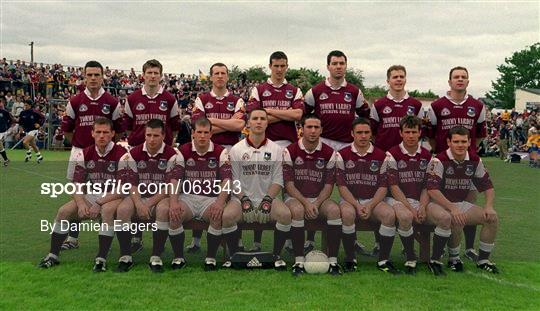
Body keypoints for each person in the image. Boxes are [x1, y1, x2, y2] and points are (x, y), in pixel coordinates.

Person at [38, 118, 127, 270]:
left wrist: (99, 203)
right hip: (93, 195)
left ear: (113, 134)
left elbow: (123, 188)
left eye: (105, 132)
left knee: (107, 211)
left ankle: (101, 259)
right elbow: (76, 185)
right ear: (92, 133)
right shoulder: (84, 154)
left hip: (115, 195)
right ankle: (53, 255)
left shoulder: (123, 154)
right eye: (98, 132)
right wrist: (80, 203)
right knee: (63, 211)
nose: (101, 136)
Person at [303, 50, 369, 254]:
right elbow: (304, 115)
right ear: (328, 66)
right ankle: (310, 238)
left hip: (348, 145)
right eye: (335, 63)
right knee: (315, 186)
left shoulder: (354, 91)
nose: (338, 66)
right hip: (323, 143)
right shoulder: (315, 91)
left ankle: (353, 236)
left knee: (352, 187)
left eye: (342, 63)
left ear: (346, 66)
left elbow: (364, 115)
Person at [60, 60, 123, 250]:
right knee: (78, 193)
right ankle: (73, 238)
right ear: (84, 76)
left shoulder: (112, 102)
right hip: (81, 152)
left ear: (102, 76)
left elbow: (118, 131)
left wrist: (103, 146)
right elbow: (67, 130)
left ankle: (110, 234)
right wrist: (82, 147)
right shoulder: (75, 101)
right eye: (90, 75)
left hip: (106, 155)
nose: (93, 78)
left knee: (110, 192)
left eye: (97, 75)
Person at [427, 66, 487, 261]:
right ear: (449, 81)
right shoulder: (437, 105)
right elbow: (432, 136)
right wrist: (443, 153)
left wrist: (469, 151)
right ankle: (443, 247)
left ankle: (468, 248)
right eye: (456, 77)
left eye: (463, 77)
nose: (460, 80)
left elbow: (478, 136)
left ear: (468, 82)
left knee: (468, 203)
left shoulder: (477, 106)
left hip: (467, 163)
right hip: (444, 162)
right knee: (440, 203)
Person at [221, 108, 291, 269]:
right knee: (228, 216)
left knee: (285, 215)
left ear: (267, 123)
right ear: (248, 123)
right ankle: (234, 256)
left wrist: (267, 200)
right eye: (255, 119)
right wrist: (244, 199)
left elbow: (278, 180)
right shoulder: (237, 149)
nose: (259, 122)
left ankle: (275, 256)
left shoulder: (276, 149)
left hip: (268, 198)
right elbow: (234, 180)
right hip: (241, 199)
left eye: (262, 119)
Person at [188, 62, 245, 253]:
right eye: (216, 73)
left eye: (223, 73)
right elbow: (197, 124)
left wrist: (209, 122)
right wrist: (226, 124)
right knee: (201, 190)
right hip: (206, 150)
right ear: (211, 77)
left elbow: (239, 126)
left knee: (230, 195)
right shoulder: (201, 99)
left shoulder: (236, 100)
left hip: (230, 150)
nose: (220, 76)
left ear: (228, 77)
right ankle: (196, 240)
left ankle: (235, 239)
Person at [124, 59, 180, 252]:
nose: (153, 76)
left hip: (162, 153)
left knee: (159, 192)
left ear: (161, 75)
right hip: (139, 153)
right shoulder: (132, 98)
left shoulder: (169, 99)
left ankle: (160, 241)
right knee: (137, 192)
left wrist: (169, 147)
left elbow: (175, 125)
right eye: (150, 73)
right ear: (143, 75)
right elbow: (128, 126)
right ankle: (136, 238)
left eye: (156, 73)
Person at [426, 126, 499, 275]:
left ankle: (483, 261)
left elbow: (488, 186)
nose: (460, 145)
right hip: (436, 204)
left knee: (492, 218)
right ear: (449, 142)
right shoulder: (439, 160)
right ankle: (445, 259)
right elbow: (432, 190)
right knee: (451, 218)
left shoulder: (475, 159)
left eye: (463, 141)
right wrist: (452, 207)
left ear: (469, 142)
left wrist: (489, 206)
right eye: (456, 141)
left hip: (460, 204)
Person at [164, 117, 232, 271]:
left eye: (205, 132)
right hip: (188, 198)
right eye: (199, 132)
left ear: (211, 134)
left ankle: (210, 258)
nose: (202, 136)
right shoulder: (182, 151)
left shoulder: (221, 152)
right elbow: (175, 179)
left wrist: (220, 203)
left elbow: (227, 180)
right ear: (193, 133)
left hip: (210, 198)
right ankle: (179, 257)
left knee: (217, 215)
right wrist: (174, 202)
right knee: (174, 214)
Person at [336, 117, 400, 274]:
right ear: (352, 133)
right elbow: (342, 187)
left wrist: (370, 206)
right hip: (350, 200)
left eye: (366, 132)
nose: (363, 136)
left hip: (375, 201)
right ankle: (350, 259)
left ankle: (383, 260)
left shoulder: (382, 156)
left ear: (372, 134)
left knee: (389, 215)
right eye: (359, 132)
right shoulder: (341, 154)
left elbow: (383, 187)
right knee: (347, 213)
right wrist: (357, 205)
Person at [114, 119, 178, 272]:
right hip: (138, 196)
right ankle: (126, 256)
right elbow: (131, 184)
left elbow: (170, 186)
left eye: (156, 136)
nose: (151, 139)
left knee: (163, 210)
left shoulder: (173, 154)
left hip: (161, 196)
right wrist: (138, 204)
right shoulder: (134, 153)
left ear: (163, 136)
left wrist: (148, 204)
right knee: (122, 210)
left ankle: (156, 256)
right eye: (148, 135)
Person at [283, 114, 342, 276]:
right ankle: (299, 261)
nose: (313, 131)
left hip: (319, 198)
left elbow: (329, 185)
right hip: (295, 197)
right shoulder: (290, 151)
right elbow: (289, 185)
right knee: (297, 211)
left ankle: (333, 261)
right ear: (301, 129)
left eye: (316, 127)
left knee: (334, 211)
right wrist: (306, 203)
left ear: (321, 130)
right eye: (309, 127)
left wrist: (315, 203)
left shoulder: (330, 153)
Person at [385, 116, 432, 274]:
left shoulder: (427, 155)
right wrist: (412, 209)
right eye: (407, 132)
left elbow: (427, 186)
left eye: (414, 132)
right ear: (401, 133)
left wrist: (423, 207)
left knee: (444, 216)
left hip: (420, 199)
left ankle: (443, 257)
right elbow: (394, 186)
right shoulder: (391, 153)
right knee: (405, 217)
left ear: (420, 133)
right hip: (395, 199)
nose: (411, 136)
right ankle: (411, 257)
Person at [370, 65, 423, 152]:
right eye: (395, 77)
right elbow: (373, 132)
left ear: (405, 80)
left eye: (401, 77)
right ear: (388, 81)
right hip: (384, 154)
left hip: (408, 155)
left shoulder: (416, 105)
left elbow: (420, 132)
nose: (399, 79)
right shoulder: (378, 105)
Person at [0, 98, 14, 166]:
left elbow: (11, 120)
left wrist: (7, 127)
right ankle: (6, 159)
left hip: (2, 131)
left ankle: (5, 159)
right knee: (0, 146)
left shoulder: (4, 112)